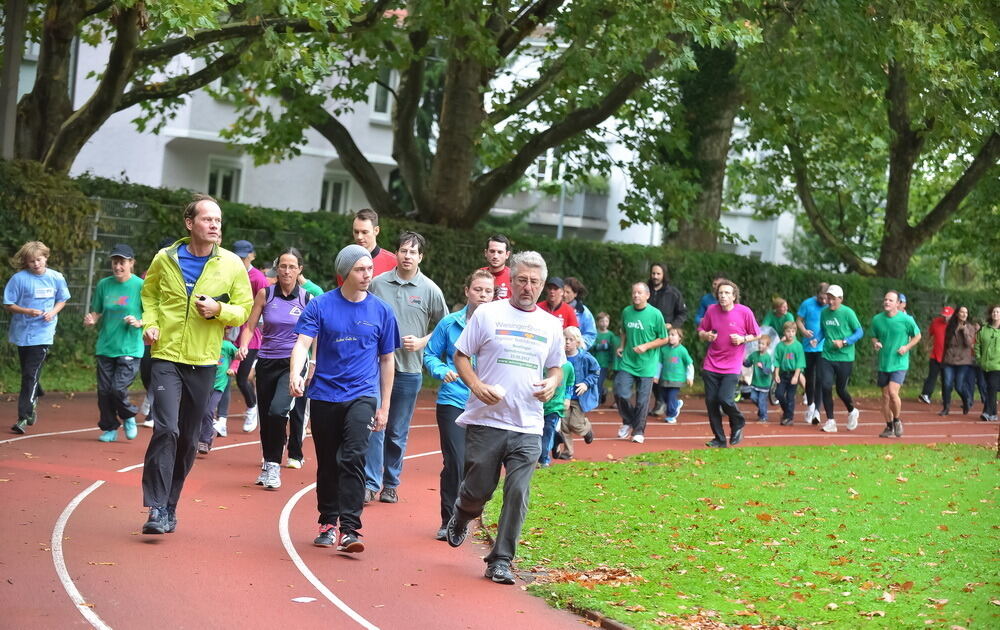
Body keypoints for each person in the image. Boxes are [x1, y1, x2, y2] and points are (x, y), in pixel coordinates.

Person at [444, 251, 565, 587]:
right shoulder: (487, 314)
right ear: (510, 281)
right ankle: (464, 511)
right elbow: (461, 355)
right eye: (522, 280)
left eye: (535, 282)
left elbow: (557, 366)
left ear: (543, 286)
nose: (528, 287)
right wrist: (476, 385)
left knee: (518, 492)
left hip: (528, 424)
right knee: (479, 489)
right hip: (488, 420)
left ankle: (501, 560)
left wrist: (553, 383)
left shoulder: (551, 325)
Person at [139, 194, 253, 535]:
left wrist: (220, 311)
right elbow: (150, 295)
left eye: (218, 220)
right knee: (167, 429)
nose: (215, 225)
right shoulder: (165, 258)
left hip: (204, 361)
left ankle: (171, 504)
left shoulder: (231, 264)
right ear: (190, 224)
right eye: (208, 219)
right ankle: (156, 508)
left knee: (188, 439)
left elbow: (244, 308)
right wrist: (149, 323)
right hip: (165, 356)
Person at [290, 244, 400, 553]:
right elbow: (302, 344)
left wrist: (384, 406)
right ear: (345, 273)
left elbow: (387, 360)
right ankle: (327, 521)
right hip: (325, 394)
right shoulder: (321, 306)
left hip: (362, 394)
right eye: (361, 270)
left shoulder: (381, 310)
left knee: (353, 457)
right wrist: (295, 373)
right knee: (328, 462)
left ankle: (350, 529)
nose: (368, 274)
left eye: (370, 269)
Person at [366, 231, 448, 504]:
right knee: (375, 424)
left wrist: (423, 341)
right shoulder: (377, 284)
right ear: (397, 253)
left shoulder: (430, 290)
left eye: (413, 252)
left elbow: (446, 328)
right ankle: (370, 481)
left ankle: (391, 483)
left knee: (397, 431)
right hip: (376, 368)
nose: (407, 256)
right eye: (403, 250)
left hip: (409, 371)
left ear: (420, 257)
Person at [423, 269, 494, 540]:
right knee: (454, 460)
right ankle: (448, 520)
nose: (483, 295)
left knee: (475, 464)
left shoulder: (500, 326)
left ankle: (464, 515)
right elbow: (430, 355)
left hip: (484, 404)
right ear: (467, 291)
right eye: (478, 290)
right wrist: (443, 370)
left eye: (488, 291)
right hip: (453, 399)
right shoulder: (449, 324)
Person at [239, 248, 313, 488]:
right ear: (276, 268)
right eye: (283, 266)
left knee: (278, 411)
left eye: (292, 266)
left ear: (300, 270)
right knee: (265, 416)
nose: (287, 271)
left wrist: (313, 363)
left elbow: (316, 334)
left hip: (292, 363)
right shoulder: (265, 294)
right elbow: (250, 326)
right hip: (267, 361)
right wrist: (243, 347)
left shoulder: (307, 299)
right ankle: (269, 465)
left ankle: (273, 466)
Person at [5, 241, 70, 434]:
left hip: (43, 333)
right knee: (28, 372)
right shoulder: (19, 279)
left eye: (39, 260)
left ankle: (24, 416)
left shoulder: (56, 277)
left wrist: (53, 312)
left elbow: (63, 299)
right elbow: (8, 304)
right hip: (22, 333)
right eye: (31, 261)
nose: (36, 264)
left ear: (46, 258)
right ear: (26, 262)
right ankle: (36, 391)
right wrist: (26, 311)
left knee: (29, 374)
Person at [83, 244, 144, 442]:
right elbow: (97, 311)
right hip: (106, 346)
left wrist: (139, 322)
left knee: (117, 389)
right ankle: (110, 427)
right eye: (115, 262)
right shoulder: (104, 285)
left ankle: (128, 415)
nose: (118, 266)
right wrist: (91, 319)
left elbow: (154, 314)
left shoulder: (140, 286)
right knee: (103, 392)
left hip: (130, 347)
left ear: (131, 263)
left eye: (122, 262)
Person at [697, 280, 760, 448]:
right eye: (720, 293)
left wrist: (742, 339)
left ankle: (738, 421)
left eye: (727, 293)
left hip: (732, 365)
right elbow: (701, 332)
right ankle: (719, 439)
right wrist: (707, 336)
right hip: (711, 363)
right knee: (711, 402)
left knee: (725, 399)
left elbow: (757, 334)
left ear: (734, 296)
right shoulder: (711, 310)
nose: (723, 296)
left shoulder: (744, 312)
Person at [615, 282, 669, 444]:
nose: (636, 295)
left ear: (647, 295)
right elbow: (623, 331)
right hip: (628, 361)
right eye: (634, 293)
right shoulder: (627, 311)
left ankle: (638, 431)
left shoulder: (655, 314)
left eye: (639, 293)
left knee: (642, 401)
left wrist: (646, 346)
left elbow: (664, 338)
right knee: (620, 393)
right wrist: (622, 346)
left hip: (647, 364)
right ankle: (628, 420)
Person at [139, 236, 178, 429]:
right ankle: (151, 395)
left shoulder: (182, 275)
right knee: (146, 374)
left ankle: (155, 412)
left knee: (161, 377)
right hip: (150, 335)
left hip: (170, 339)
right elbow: (144, 301)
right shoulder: (149, 275)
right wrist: (142, 321)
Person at [870, 291, 921, 438]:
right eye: (885, 299)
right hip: (884, 363)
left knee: (893, 392)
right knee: (885, 397)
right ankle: (889, 426)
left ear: (898, 304)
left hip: (899, 363)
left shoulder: (906, 320)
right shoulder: (877, 319)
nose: (887, 302)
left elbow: (917, 336)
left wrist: (906, 347)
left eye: (890, 300)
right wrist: (876, 343)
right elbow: (873, 336)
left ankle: (897, 420)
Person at [231, 239, 270, 433]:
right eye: (237, 256)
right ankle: (218, 418)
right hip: (230, 332)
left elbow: (265, 306)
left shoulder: (257, 278)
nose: (240, 260)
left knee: (242, 377)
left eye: (243, 257)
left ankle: (251, 406)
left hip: (251, 335)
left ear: (251, 256)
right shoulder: (230, 273)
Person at [817, 284, 863, 433]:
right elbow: (824, 331)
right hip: (827, 355)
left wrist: (844, 342)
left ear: (840, 299)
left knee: (841, 389)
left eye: (833, 299)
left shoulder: (848, 313)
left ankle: (852, 410)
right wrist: (816, 339)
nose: (830, 301)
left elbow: (859, 332)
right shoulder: (824, 313)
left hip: (845, 356)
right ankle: (831, 421)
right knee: (825, 385)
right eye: (828, 298)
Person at [646, 263, 687, 416]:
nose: (655, 276)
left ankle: (663, 402)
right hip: (647, 339)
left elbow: (683, 313)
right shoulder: (645, 291)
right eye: (653, 273)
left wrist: (672, 325)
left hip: (665, 339)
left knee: (661, 372)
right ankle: (659, 400)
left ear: (664, 275)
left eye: (658, 273)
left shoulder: (673, 293)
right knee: (650, 371)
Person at [557, 326, 599, 459]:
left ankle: (586, 429)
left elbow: (596, 371)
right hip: (564, 397)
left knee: (575, 424)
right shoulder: (559, 357)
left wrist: (586, 383)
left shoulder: (585, 357)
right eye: (565, 339)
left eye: (571, 339)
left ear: (578, 342)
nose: (568, 342)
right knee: (564, 425)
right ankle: (568, 452)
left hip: (579, 397)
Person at [796, 282, 830, 424]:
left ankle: (817, 411)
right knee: (810, 378)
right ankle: (810, 405)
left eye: (825, 299)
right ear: (817, 295)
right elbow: (798, 320)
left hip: (823, 347)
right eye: (821, 298)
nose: (823, 301)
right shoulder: (807, 304)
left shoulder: (830, 306)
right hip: (808, 347)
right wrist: (803, 331)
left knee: (821, 379)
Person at [198, 336, 237, 455]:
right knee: (198, 411)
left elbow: (239, 355)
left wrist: (233, 367)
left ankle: (205, 440)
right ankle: (207, 430)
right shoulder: (202, 342)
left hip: (218, 386)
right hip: (203, 384)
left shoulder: (226, 345)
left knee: (208, 411)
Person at [337, 208, 397, 285]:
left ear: (376, 230)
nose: (359, 237)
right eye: (356, 232)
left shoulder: (394, 262)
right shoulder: (345, 261)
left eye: (364, 232)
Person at [940, 306, 977, 416]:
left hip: (963, 360)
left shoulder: (970, 327)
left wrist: (964, 330)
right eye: (962, 312)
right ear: (957, 314)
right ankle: (946, 407)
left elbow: (969, 343)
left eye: (966, 312)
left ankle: (966, 401)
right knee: (947, 384)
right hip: (949, 359)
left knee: (959, 386)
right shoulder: (950, 327)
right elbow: (946, 343)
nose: (964, 314)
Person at [657, 328, 693, 425]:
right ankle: (676, 404)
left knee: (671, 396)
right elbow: (659, 364)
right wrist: (656, 376)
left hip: (677, 379)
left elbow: (689, 364)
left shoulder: (682, 350)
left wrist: (690, 377)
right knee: (665, 397)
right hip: (665, 378)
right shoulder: (663, 349)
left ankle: (671, 415)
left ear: (680, 338)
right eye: (669, 334)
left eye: (673, 335)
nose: (670, 337)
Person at [541, 357, 573, 466]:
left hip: (555, 406)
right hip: (538, 405)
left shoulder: (567, 366)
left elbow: (570, 382)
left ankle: (544, 459)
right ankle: (556, 439)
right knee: (537, 433)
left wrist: (567, 397)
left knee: (547, 431)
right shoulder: (540, 363)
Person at [919, 306, 953, 405]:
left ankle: (946, 399)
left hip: (948, 358)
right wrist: (926, 346)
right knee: (931, 376)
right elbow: (929, 334)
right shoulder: (936, 322)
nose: (945, 318)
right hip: (935, 355)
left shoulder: (955, 325)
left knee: (946, 379)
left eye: (948, 316)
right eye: (944, 316)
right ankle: (926, 394)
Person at [774, 321, 805, 426]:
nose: (790, 334)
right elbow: (777, 361)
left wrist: (796, 376)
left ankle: (789, 417)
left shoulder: (798, 346)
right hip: (783, 374)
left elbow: (799, 363)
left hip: (793, 375)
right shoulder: (780, 346)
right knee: (778, 393)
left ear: (795, 332)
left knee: (790, 397)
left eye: (793, 331)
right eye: (788, 331)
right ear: (784, 332)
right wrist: (776, 374)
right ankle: (787, 412)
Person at [975, 305, 1000, 422]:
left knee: (991, 387)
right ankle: (993, 414)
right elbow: (977, 345)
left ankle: (987, 412)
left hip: (997, 366)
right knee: (990, 388)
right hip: (985, 365)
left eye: (998, 312)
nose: (995, 314)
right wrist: (979, 358)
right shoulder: (984, 329)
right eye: (994, 312)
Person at [744, 333, 775, 423]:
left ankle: (763, 416)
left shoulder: (767, 358)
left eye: (762, 344)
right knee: (753, 397)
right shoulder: (754, 354)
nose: (760, 345)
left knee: (761, 401)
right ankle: (762, 408)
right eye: (759, 343)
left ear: (767, 346)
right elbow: (748, 363)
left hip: (764, 384)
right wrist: (743, 361)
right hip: (755, 382)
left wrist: (762, 367)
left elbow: (769, 371)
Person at [591, 312, 619, 406]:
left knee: (599, 381)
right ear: (598, 322)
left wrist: (611, 362)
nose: (604, 323)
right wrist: (600, 346)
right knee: (593, 381)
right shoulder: (594, 333)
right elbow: (591, 346)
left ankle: (597, 401)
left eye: (606, 321)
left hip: (604, 363)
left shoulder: (610, 335)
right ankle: (603, 391)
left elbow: (612, 349)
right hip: (594, 362)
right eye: (602, 321)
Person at [563, 277, 597, 349]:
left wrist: (577, 346)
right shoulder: (554, 307)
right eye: (563, 291)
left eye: (568, 292)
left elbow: (591, 334)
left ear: (575, 294)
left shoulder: (584, 312)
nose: (564, 295)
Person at [481, 234, 512, 301]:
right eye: (492, 251)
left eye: (500, 252)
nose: (495, 256)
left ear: (507, 255)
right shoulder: (479, 275)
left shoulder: (514, 277)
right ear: (486, 253)